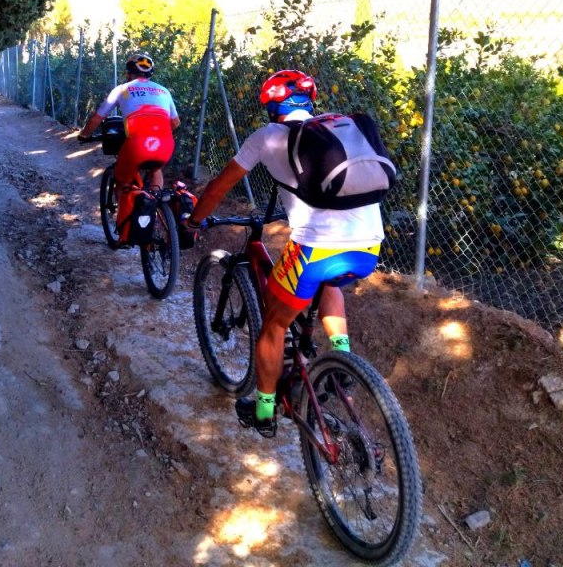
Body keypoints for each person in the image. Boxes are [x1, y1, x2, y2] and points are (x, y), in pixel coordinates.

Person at [184, 69, 384, 436]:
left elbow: (217, 188)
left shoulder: (267, 136)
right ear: (310, 101)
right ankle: (342, 360)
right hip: (369, 245)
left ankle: (264, 411)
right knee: (329, 283)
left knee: (274, 324)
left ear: (272, 107)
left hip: (315, 249)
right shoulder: (337, 127)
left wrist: (195, 221)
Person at [78, 53, 181, 243]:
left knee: (122, 182)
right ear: (150, 74)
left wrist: (84, 135)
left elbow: (97, 118)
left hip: (136, 144)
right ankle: (153, 213)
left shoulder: (122, 90)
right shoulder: (163, 90)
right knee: (155, 170)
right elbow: (175, 122)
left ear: (128, 74)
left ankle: (124, 233)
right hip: (165, 143)